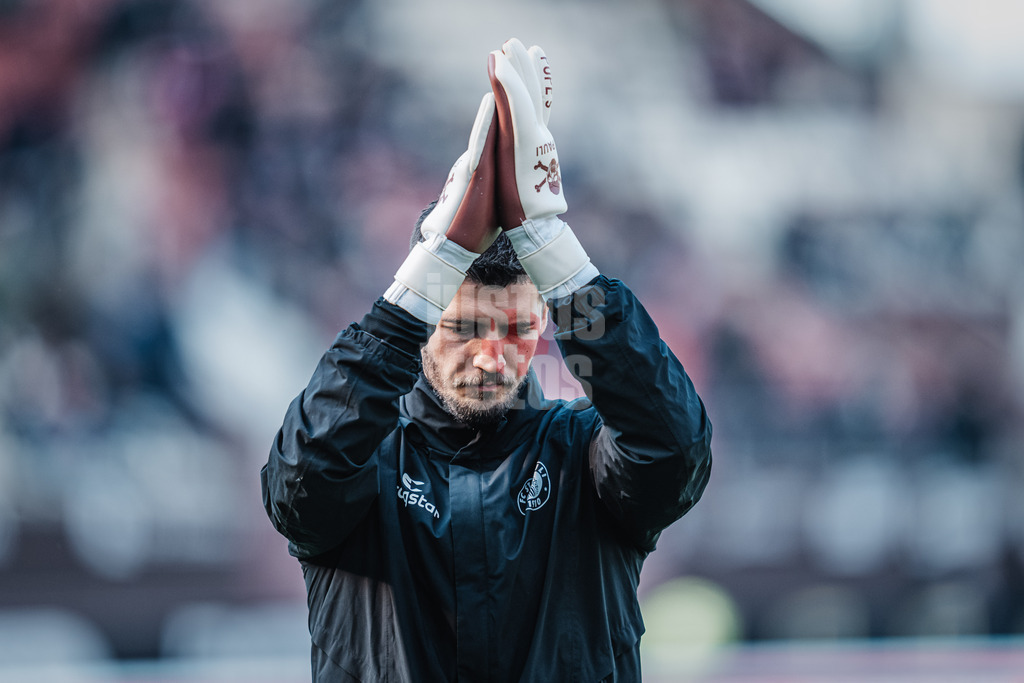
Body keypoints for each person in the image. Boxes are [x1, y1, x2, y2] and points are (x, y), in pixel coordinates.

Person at [261, 38, 712, 682]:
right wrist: (433, 264)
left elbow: (676, 450)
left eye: (520, 329)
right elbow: (300, 483)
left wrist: (557, 258)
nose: (493, 356)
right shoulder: (364, 461)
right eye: (467, 327)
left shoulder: (582, 453)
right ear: (423, 320)